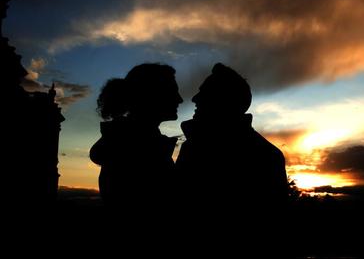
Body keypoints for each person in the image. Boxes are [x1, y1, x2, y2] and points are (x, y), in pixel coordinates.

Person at [176, 63, 288, 256]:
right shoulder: (193, 146)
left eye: (204, 93)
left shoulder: (264, 156)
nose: (194, 99)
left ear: (223, 101)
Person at [90, 63, 183, 215]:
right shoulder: (136, 148)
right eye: (172, 92)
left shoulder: (127, 141)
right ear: (150, 95)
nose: (179, 99)